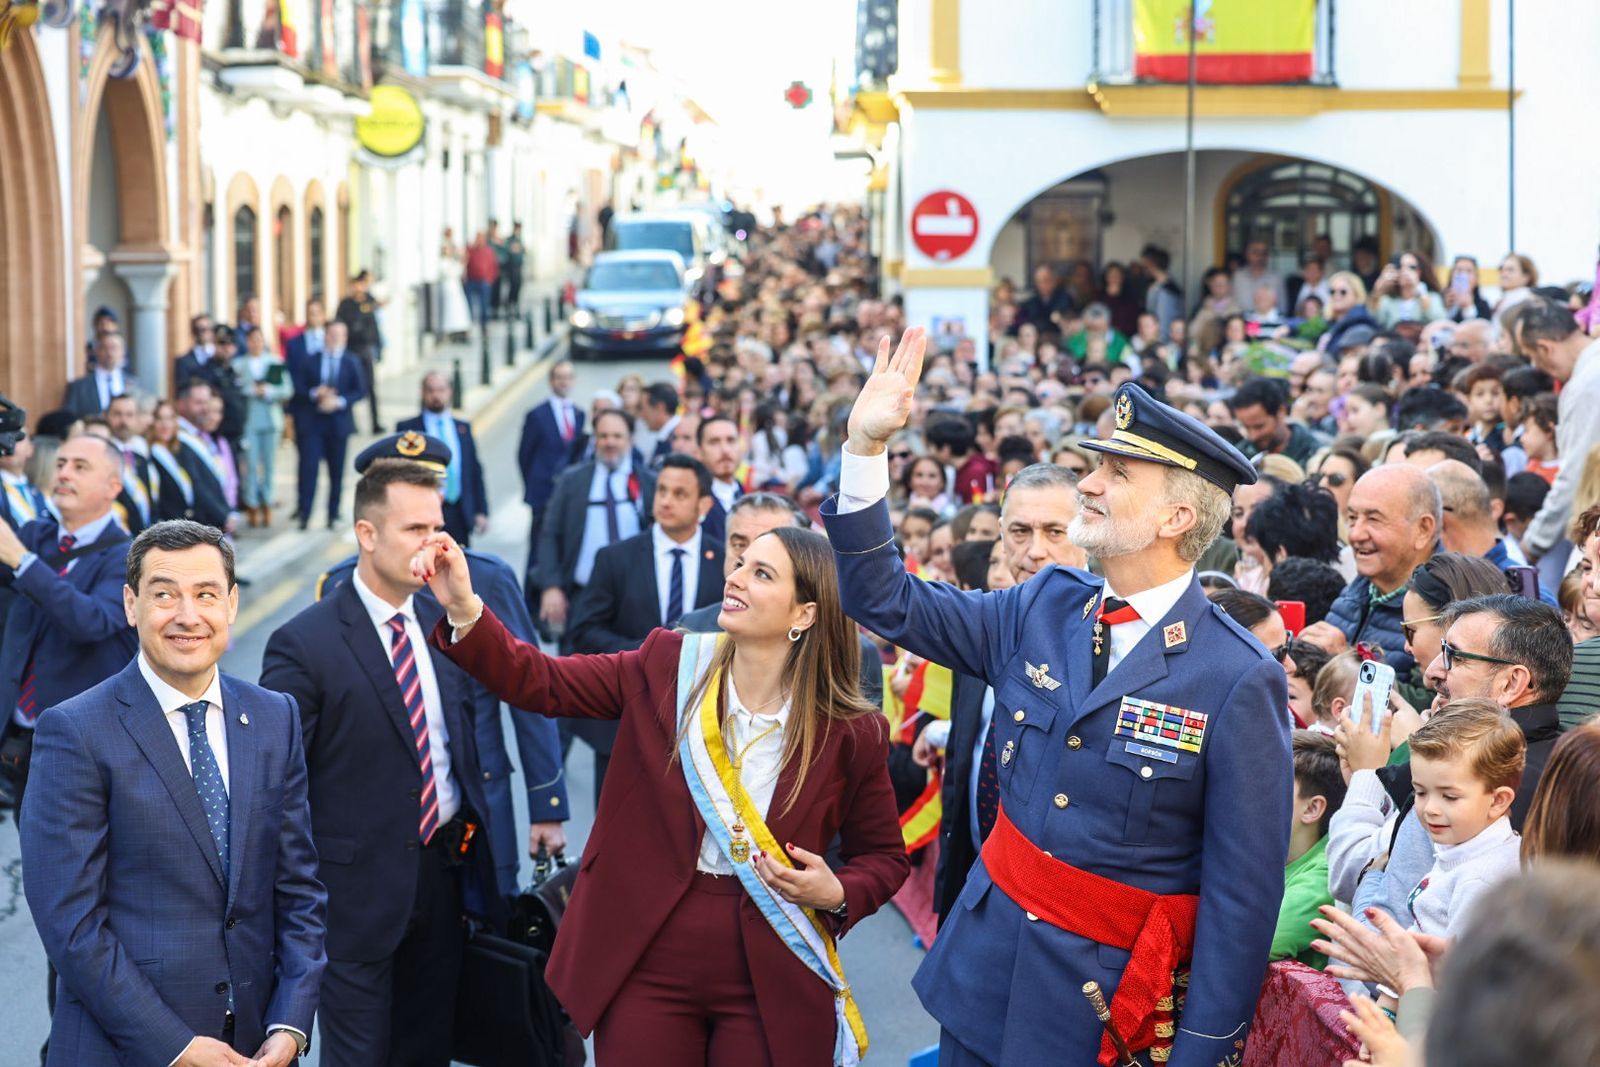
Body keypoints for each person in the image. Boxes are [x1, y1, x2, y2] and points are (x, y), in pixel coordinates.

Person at [828, 329, 1291, 1066]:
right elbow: (885, 599)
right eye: (1096, 465)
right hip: (986, 968)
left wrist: (1201, 1051)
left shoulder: (1236, 676)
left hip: (1100, 1010)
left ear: (1176, 519)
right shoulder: (1042, 603)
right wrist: (863, 447)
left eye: (1116, 473)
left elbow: (1242, 896)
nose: (1089, 484)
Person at [417, 518, 909, 1065]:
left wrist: (835, 893)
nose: (737, 578)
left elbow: (885, 857)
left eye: (762, 573)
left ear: (805, 614)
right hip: (648, 949)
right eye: (740, 563)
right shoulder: (668, 662)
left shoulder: (851, 731)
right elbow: (542, 682)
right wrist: (464, 608)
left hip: (772, 961)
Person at [19, 520, 326, 1067]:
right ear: (131, 605)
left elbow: (298, 888)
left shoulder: (275, 717)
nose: (188, 615)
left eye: (206, 594)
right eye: (164, 595)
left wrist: (291, 1022)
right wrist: (177, 1046)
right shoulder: (75, 730)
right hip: (127, 1049)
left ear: (231, 604)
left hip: (258, 1048)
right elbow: (72, 926)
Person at [259, 459, 504, 1066]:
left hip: (444, 882)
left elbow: (466, 748)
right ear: (367, 535)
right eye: (415, 530)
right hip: (353, 900)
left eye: (439, 529)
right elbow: (276, 789)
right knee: (360, 1057)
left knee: (428, 1050)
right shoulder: (303, 644)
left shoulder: (447, 623)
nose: (435, 546)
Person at [313, 432, 569, 897]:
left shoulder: (485, 579)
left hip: (479, 806)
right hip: (382, 820)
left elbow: (529, 695)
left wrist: (545, 804)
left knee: (486, 944)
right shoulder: (337, 587)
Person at [909, 463, 1086, 923]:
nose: (1035, 551)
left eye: (1054, 531)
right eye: (1020, 531)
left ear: (1089, 534)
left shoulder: (1112, 642)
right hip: (973, 884)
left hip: (1054, 912)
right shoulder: (984, 630)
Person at [566, 455, 724, 801]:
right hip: (624, 722)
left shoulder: (724, 562)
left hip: (700, 727)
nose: (666, 501)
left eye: (680, 493)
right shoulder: (615, 558)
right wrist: (648, 654)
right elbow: (584, 631)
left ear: (704, 504)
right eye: (662, 490)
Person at [0, 434, 138, 812]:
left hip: (86, 745)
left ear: (113, 486)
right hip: (21, 739)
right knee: (35, 860)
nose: (63, 474)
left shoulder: (130, 556)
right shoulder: (34, 536)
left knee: (76, 862)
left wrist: (23, 561)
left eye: (80, 467)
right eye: (60, 464)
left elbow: (91, 620)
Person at [677, 491, 884, 707]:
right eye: (739, 546)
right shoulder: (689, 632)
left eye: (764, 571)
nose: (736, 576)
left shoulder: (855, 655)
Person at [1401, 698, 1525, 937]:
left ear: (1498, 800)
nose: (1430, 809)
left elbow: (1461, 971)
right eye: (1420, 792)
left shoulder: (1480, 883)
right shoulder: (1463, 843)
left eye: (1449, 797)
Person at [1301, 464, 1441, 675]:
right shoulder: (1354, 593)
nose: (1355, 535)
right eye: (1352, 518)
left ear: (1423, 529)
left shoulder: (1445, 606)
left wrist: (1346, 661)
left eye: (1374, 519)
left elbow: (1433, 699)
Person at [532, 409, 656, 635]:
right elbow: (549, 533)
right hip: (582, 596)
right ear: (595, 439)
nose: (610, 442)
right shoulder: (572, 480)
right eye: (603, 435)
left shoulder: (648, 482)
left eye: (617, 436)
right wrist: (551, 586)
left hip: (634, 598)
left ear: (630, 440)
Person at [1514, 301, 1600, 584]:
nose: (1537, 367)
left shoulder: (1585, 385)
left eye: (1532, 357)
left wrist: (1531, 545)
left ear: (1544, 348)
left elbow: (1576, 475)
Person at [1270, 731, 1346, 968]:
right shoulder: (1268, 858)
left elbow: (1257, 940)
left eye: (1270, 787)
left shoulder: (1324, 875)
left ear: (1312, 808)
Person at [289, 319, 366, 531]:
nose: (335, 339)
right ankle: (305, 513)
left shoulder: (352, 361)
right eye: (332, 335)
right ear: (325, 336)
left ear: (345, 338)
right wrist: (316, 393)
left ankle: (333, 513)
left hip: (339, 424)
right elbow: (298, 385)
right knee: (308, 468)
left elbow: (360, 390)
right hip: (312, 423)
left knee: (337, 470)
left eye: (340, 335)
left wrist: (339, 402)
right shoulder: (310, 359)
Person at [518, 360, 583, 605]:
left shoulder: (578, 413)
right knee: (537, 548)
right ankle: (530, 602)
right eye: (559, 377)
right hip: (542, 493)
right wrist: (534, 485)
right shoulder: (537, 414)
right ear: (551, 381)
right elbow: (525, 455)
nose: (564, 381)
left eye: (568, 377)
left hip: (567, 495)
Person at [398, 372, 489, 546]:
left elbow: (474, 470)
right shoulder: (409, 429)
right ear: (423, 393)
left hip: (459, 512)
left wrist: (480, 511)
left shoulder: (463, 428)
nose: (436, 396)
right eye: (430, 390)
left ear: (450, 392)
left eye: (441, 390)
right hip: (425, 514)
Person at [239, 323, 293, 529]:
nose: (256, 343)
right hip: (250, 420)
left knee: (269, 464)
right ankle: (252, 502)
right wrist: (251, 390)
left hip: (271, 418)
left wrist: (270, 391)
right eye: (252, 340)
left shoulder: (274, 362)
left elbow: (287, 389)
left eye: (259, 339)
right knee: (251, 464)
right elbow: (237, 388)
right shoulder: (240, 364)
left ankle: (267, 501)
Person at [172, 381, 237, 535]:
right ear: (181, 404)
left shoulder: (201, 435)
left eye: (207, 403)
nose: (205, 409)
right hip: (201, 524)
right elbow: (197, 484)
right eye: (199, 403)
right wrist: (222, 515)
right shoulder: (178, 439)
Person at [1228, 378, 1326, 468]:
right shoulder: (1239, 457)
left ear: (1281, 412)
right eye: (1246, 427)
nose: (1252, 436)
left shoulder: (1316, 453)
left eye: (1259, 426)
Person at [335, 271, 385, 433]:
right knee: (348, 387)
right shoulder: (346, 305)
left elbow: (374, 325)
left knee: (370, 387)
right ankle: (351, 424)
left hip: (365, 350)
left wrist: (378, 347)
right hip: (350, 350)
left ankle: (375, 422)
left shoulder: (369, 301)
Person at [103, 394, 158, 531]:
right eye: (117, 414)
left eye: (129, 415)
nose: (123, 421)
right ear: (106, 416)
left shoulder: (140, 457)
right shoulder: (102, 457)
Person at [63, 331, 145, 417]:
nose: (109, 353)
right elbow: (69, 417)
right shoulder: (79, 387)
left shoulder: (134, 384)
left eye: (114, 348)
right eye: (104, 348)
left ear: (123, 352)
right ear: (96, 351)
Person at [698, 415, 747, 547]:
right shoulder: (693, 501)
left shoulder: (749, 497)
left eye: (731, 440)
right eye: (714, 442)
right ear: (699, 451)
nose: (725, 450)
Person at [1232, 237, 1287, 313]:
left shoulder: (1276, 278)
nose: (1260, 256)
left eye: (1264, 253)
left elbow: (1283, 307)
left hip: (1268, 323)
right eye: (1256, 252)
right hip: (1241, 321)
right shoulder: (1238, 276)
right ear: (1247, 254)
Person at [436, 228, 472, 338]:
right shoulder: (443, 261)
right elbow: (449, 271)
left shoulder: (453, 250)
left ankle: (460, 329)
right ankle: (451, 330)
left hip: (455, 286)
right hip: (449, 286)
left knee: (459, 308)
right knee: (451, 309)